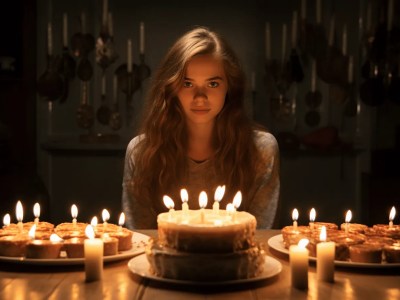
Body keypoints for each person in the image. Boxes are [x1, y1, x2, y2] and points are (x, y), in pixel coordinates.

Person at [122, 26, 280, 229]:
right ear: (172, 88)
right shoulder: (142, 152)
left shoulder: (261, 151)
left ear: (230, 87)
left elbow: (260, 237)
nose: (200, 97)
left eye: (212, 84)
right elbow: (141, 239)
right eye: (187, 84)